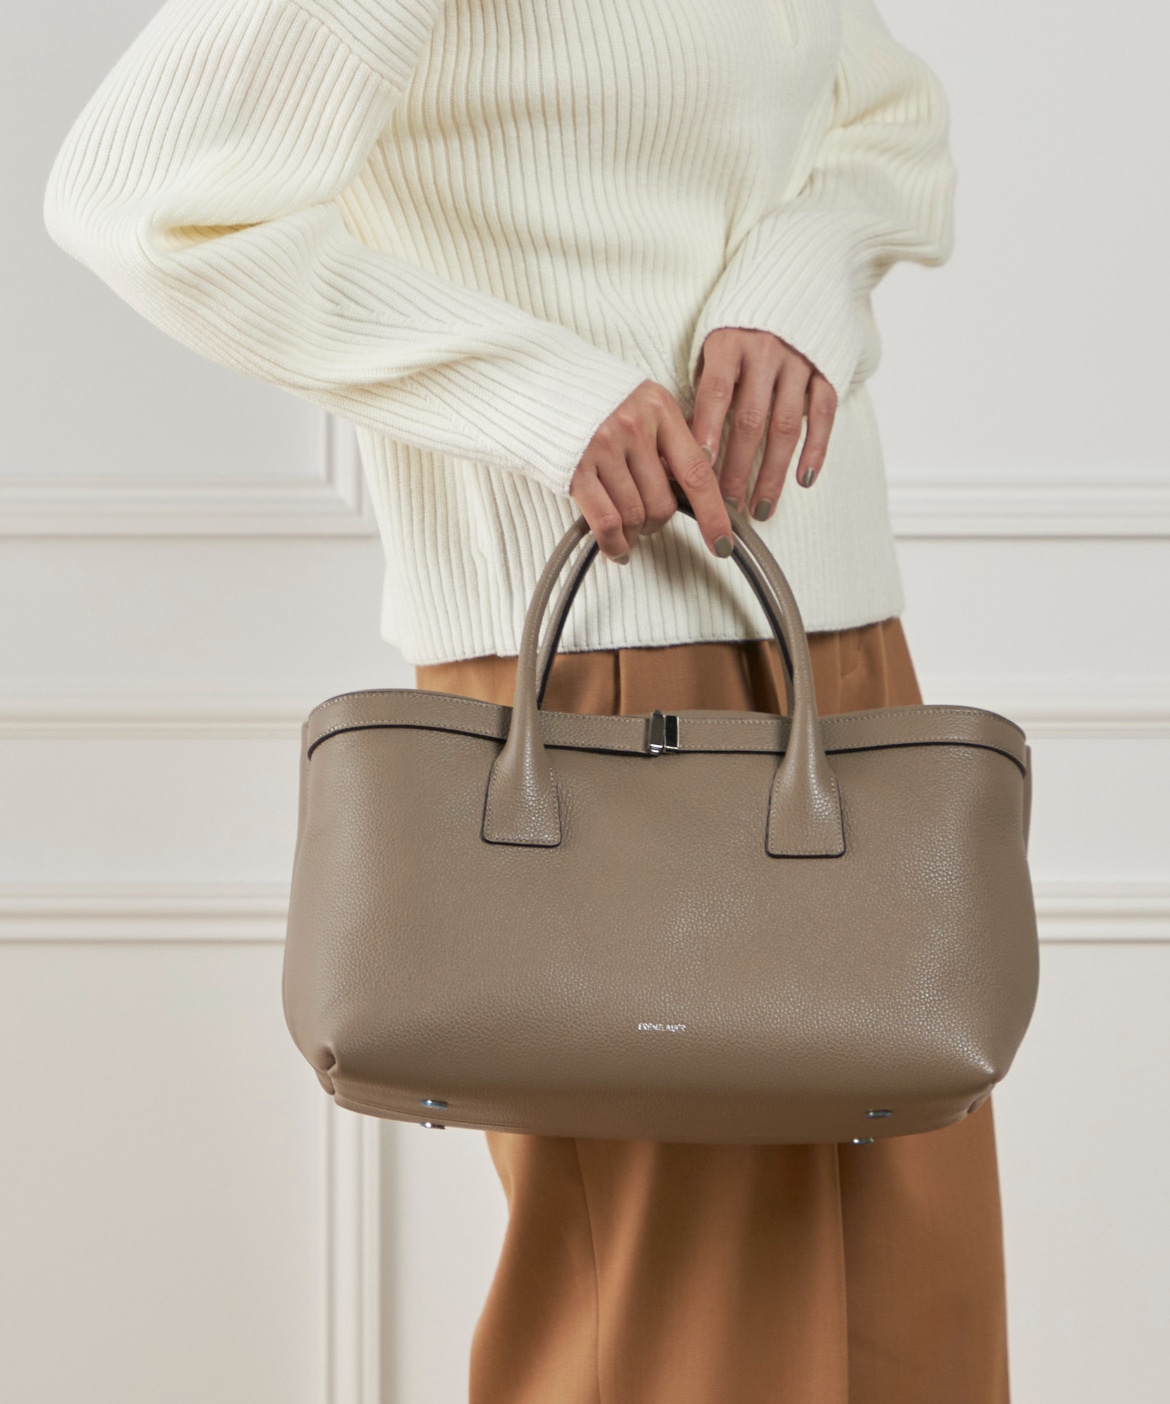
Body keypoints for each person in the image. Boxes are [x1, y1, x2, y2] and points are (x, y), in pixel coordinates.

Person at [44, 1, 1008, 1398]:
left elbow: (884, 113)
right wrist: (539, 395)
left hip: (841, 654)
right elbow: (143, 198)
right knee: (677, 1327)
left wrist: (796, 279)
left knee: (914, 1305)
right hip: (600, 672)